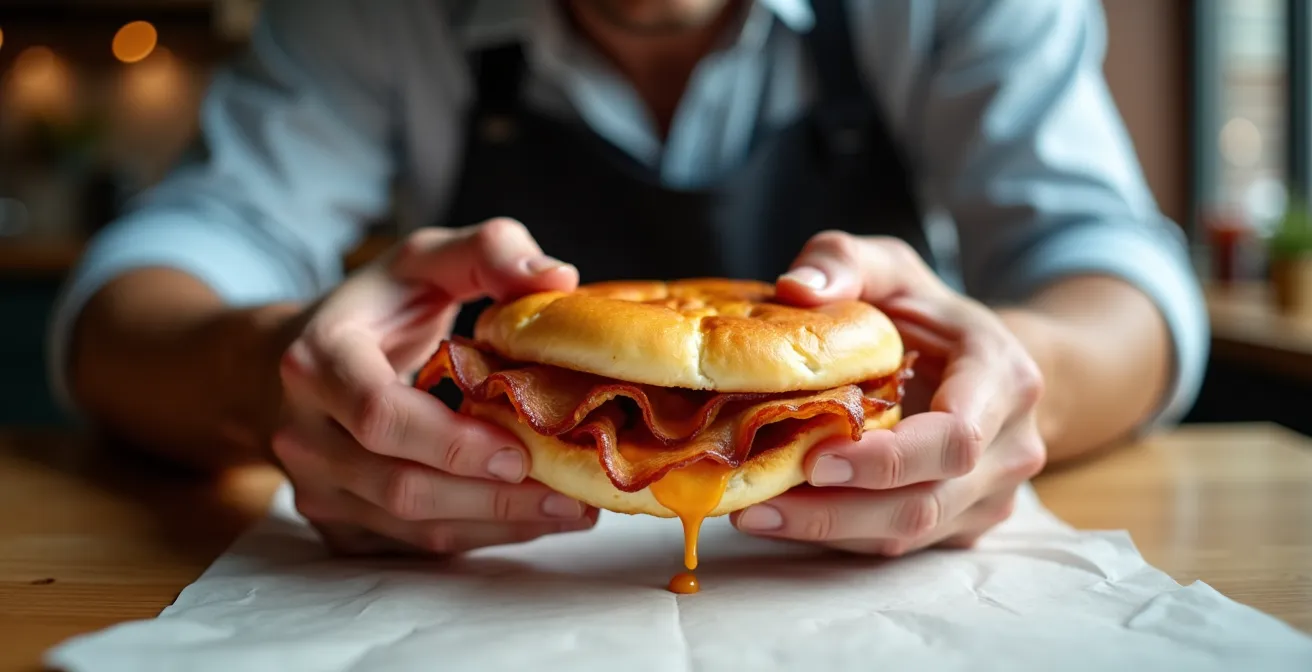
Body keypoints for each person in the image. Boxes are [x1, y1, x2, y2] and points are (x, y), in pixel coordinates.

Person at [51, 0, 1207, 558]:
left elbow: (1116, 271)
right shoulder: (370, 16)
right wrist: (271, 375)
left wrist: (1020, 378)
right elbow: (136, 299)